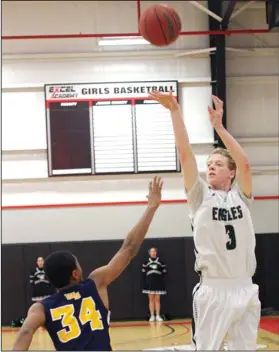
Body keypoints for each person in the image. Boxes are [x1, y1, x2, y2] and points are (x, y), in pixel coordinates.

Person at [148, 91, 261, 350]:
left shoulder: (241, 196)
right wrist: (175, 112)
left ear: (231, 173)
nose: (210, 167)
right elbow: (186, 154)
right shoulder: (200, 196)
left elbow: (244, 163)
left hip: (245, 287)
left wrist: (219, 127)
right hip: (213, 290)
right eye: (209, 163)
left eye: (218, 164)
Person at [13, 177, 163, 351]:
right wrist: (151, 208)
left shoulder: (40, 308)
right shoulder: (95, 284)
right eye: (78, 264)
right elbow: (128, 249)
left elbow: (25, 332)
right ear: (75, 274)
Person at [142, 247, 167, 322]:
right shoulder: (146, 262)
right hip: (149, 283)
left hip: (158, 283)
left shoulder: (161, 262)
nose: (153, 253)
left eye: (154, 251)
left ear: (156, 252)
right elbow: (143, 273)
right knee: (151, 299)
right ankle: (152, 316)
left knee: (157, 300)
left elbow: (164, 272)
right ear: (149, 253)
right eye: (151, 251)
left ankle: (158, 315)